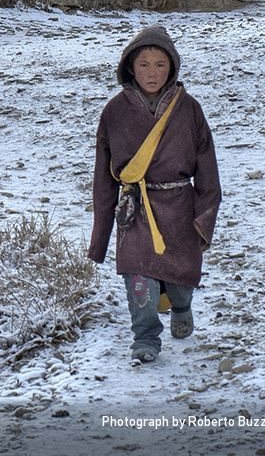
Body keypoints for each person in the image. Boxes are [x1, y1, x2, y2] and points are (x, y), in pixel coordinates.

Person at [87, 23, 221, 364]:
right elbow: (104, 178)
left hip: (179, 205)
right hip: (135, 209)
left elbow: (207, 166)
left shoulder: (188, 109)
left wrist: (205, 217)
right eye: (144, 64)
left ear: (172, 67)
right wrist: (100, 238)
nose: (152, 72)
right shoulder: (114, 112)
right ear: (130, 67)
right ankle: (145, 338)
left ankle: (181, 305)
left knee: (180, 277)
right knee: (138, 276)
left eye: (160, 64)